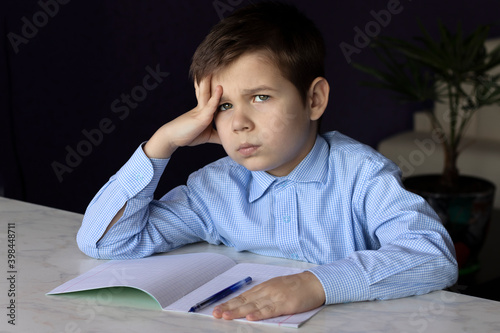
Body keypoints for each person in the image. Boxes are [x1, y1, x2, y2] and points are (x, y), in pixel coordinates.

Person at [77, 1, 458, 322]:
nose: (239, 122)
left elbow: (433, 256)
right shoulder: (215, 189)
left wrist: (315, 284)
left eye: (260, 97)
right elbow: (106, 241)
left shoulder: (361, 175)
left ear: (314, 100)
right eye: (224, 106)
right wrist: (160, 145)